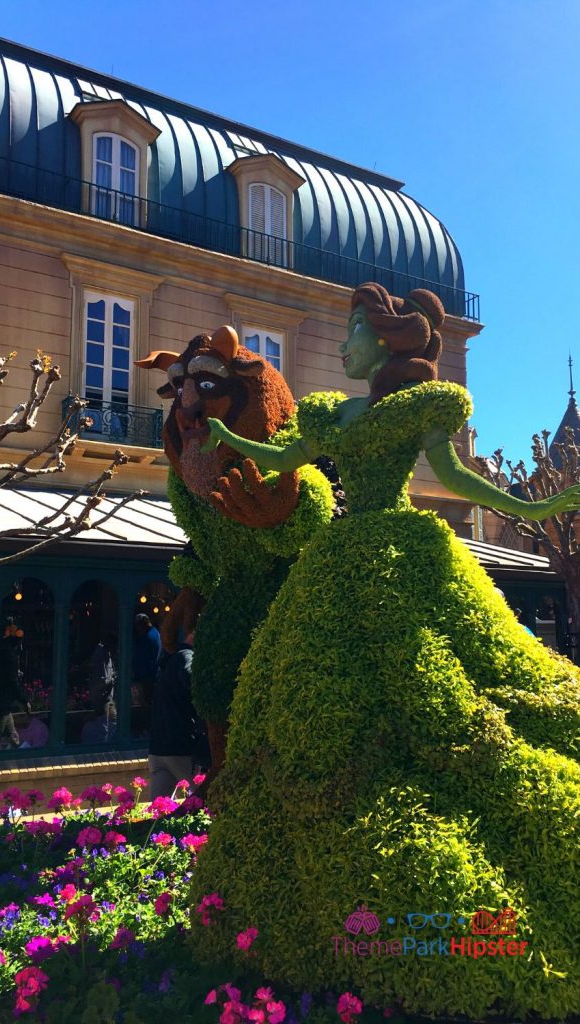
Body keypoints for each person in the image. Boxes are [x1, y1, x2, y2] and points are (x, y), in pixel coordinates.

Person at [193, 283, 580, 1014]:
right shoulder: (332, 412)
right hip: (341, 555)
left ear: (386, 342)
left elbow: (458, 477)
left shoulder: (421, 407)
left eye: (351, 334)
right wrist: (222, 437)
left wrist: (532, 506)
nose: (341, 347)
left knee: (437, 679)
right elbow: (283, 455)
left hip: (400, 552)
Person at [148, 630, 202, 797]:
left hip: (158, 748)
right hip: (180, 746)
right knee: (202, 800)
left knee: (158, 811)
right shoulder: (187, 656)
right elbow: (191, 679)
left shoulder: (167, 663)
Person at [131, 613, 161, 731]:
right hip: (151, 676)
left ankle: (149, 729)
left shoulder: (148, 637)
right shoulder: (155, 634)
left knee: (147, 705)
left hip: (148, 677)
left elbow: (143, 659)